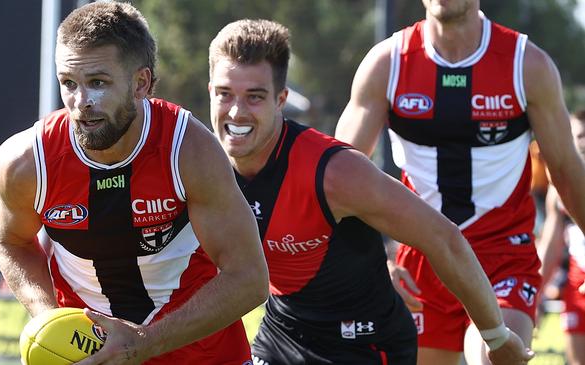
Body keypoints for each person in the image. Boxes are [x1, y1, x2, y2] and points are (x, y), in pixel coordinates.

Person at [208, 18, 533, 365]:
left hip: (365, 345)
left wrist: (496, 336)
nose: (237, 112)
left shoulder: (334, 171)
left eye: (255, 97)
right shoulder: (200, 167)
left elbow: (445, 239)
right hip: (283, 334)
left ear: (281, 99)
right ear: (210, 90)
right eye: (225, 94)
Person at [0, 3, 268, 365]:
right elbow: (11, 241)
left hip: (202, 354)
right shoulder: (26, 162)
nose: (81, 103)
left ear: (141, 83)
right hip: (87, 352)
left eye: (98, 83)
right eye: (68, 83)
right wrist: (47, 318)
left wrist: (144, 342)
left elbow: (248, 278)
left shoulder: (188, 150)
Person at [335, 0, 585, 364]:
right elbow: (339, 177)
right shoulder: (387, 63)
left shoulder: (526, 64)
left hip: (502, 257)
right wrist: (375, 259)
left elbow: (565, 168)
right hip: (421, 259)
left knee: (494, 354)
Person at [538, 110, 585, 365]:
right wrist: (535, 294)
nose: (584, 142)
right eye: (580, 136)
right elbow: (551, 247)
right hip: (577, 288)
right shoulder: (560, 189)